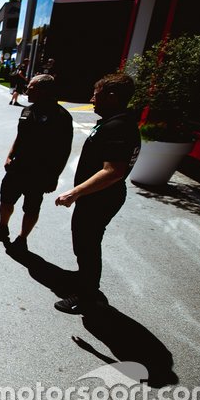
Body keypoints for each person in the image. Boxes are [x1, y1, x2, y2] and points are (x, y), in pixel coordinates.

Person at [53, 73, 141, 314]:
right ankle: (85, 280)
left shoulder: (119, 127)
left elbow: (113, 171)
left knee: (87, 245)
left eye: (97, 94)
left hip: (100, 199)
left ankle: (87, 295)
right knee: (85, 244)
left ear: (112, 97)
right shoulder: (115, 121)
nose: (92, 99)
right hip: (96, 197)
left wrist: (75, 193)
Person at [0, 74, 73, 253]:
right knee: (6, 198)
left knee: (31, 207)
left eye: (31, 87)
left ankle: (22, 238)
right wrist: (9, 155)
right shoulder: (27, 111)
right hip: (17, 167)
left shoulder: (61, 116)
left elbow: (64, 150)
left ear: (43, 91)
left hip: (40, 172)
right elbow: (20, 136)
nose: (27, 89)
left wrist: (54, 176)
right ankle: (3, 227)